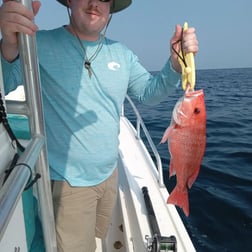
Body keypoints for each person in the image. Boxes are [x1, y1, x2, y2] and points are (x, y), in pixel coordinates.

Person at [0, 0, 199, 251]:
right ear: (70, 1)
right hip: (67, 183)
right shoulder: (39, 43)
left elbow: (149, 93)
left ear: (110, 7)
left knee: (96, 236)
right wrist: (8, 45)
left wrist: (175, 64)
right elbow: (5, 83)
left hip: (109, 175)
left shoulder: (122, 54)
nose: (95, 3)